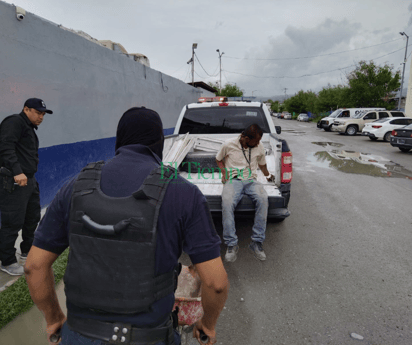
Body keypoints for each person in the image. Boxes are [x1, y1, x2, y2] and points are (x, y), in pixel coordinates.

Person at [24, 107, 229, 345]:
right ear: (160, 145)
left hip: (78, 335)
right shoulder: (184, 193)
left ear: (119, 140)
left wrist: (53, 319)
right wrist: (208, 324)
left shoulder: (74, 186)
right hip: (149, 337)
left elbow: (34, 266)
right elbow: (215, 284)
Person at [0, 98, 53, 276]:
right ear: (26, 109)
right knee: (12, 222)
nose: (41, 117)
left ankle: (26, 251)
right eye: (38, 113)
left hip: (29, 180)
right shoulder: (14, 122)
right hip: (15, 181)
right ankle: (7, 261)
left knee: (32, 218)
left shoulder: (28, 127)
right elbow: (5, 147)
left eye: (43, 114)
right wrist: (16, 171)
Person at [215, 124, 274, 263]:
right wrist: (224, 172)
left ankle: (256, 242)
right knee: (227, 203)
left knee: (263, 199)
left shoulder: (258, 147)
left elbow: (262, 164)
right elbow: (218, 159)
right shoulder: (228, 144)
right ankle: (231, 244)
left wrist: (268, 175)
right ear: (246, 138)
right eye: (256, 140)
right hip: (233, 180)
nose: (259, 143)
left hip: (251, 181)